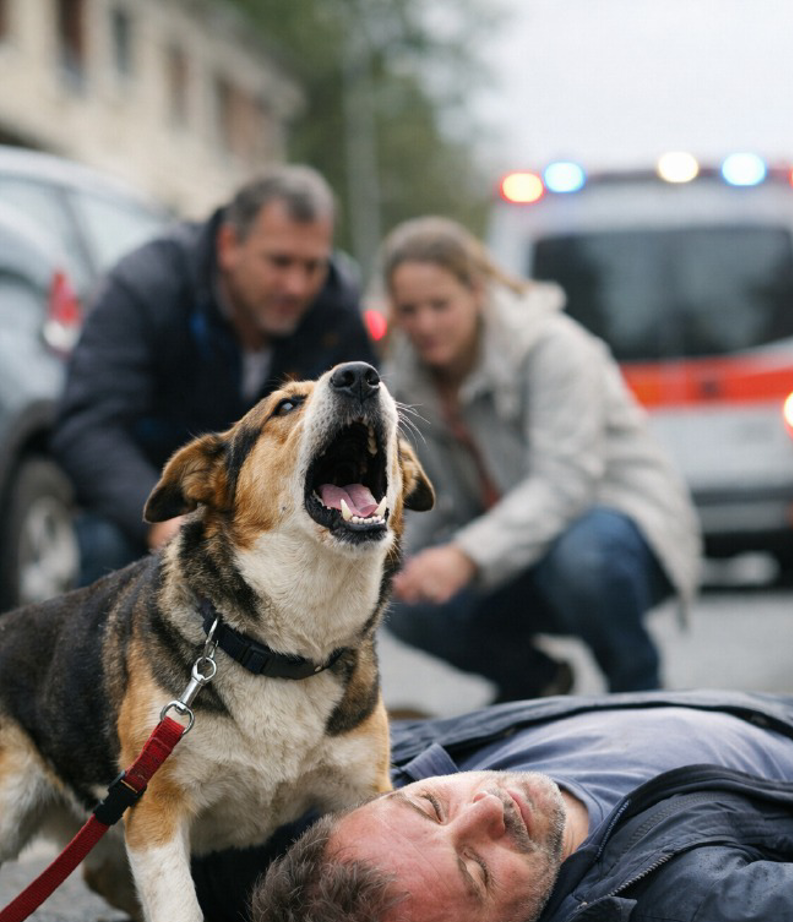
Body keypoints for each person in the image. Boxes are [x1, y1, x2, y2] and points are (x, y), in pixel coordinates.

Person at [189, 690, 793, 922]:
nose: (485, 807)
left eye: (429, 806)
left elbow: (195, 849)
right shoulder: (687, 920)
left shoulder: (366, 786)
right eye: (476, 868)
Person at [376, 216, 701, 698]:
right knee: (397, 594)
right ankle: (534, 684)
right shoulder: (404, 379)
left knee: (582, 558)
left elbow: (566, 485)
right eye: (410, 310)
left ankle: (640, 690)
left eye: (440, 305)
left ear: (477, 292)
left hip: (618, 537)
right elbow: (425, 499)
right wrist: (382, 563)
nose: (425, 324)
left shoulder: (554, 348)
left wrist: (466, 556)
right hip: (516, 549)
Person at [52, 165, 378, 585]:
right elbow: (87, 426)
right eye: (279, 262)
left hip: (272, 512)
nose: (297, 285)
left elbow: (361, 428)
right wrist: (161, 520)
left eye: (313, 266)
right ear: (229, 245)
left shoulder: (335, 305)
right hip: (151, 504)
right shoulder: (146, 288)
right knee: (105, 546)